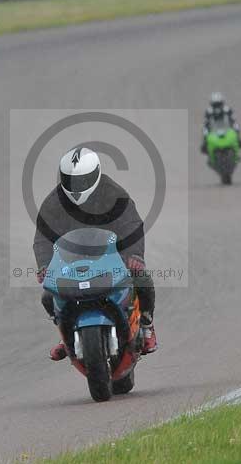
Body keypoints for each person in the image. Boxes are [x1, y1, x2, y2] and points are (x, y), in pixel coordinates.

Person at [34, 146, 157, 360]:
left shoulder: (114, 193)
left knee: (142, 279)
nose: (76, 187)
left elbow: (132, 226)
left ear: (96, 173)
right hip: (72, 261)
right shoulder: (54, 201)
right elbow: (42, 238)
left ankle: (146, 326)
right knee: (48, 296)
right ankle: (66, 334)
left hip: (111, 256)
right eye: (70, 180)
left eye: (82, 180)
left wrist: (134, 256)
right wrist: (44, 265)